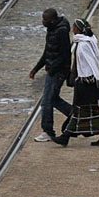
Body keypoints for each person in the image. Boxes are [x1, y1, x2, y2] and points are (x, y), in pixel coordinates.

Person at [54, 18, 99, 147]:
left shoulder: (84, 45)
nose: (72, 29)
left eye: (74, 27)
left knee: (78, 111)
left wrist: (86, 80)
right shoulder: (83, 41)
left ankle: (66, 136)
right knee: (91, 111)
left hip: (86, 84)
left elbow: (91, 64)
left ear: (78, 29)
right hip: (86, 83)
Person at [29, 9, 73, 143]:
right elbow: (47, 51)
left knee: (47, 101)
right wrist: (37, 68)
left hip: (58, 71)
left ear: (52, 20)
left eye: (45, 20)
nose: (43, 22)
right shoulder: (52, 29)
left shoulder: (61, 31)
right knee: (51, 99)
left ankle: (48, 131)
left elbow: (65, 54)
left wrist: (53, 68)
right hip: (52, 69)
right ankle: (73, 114)